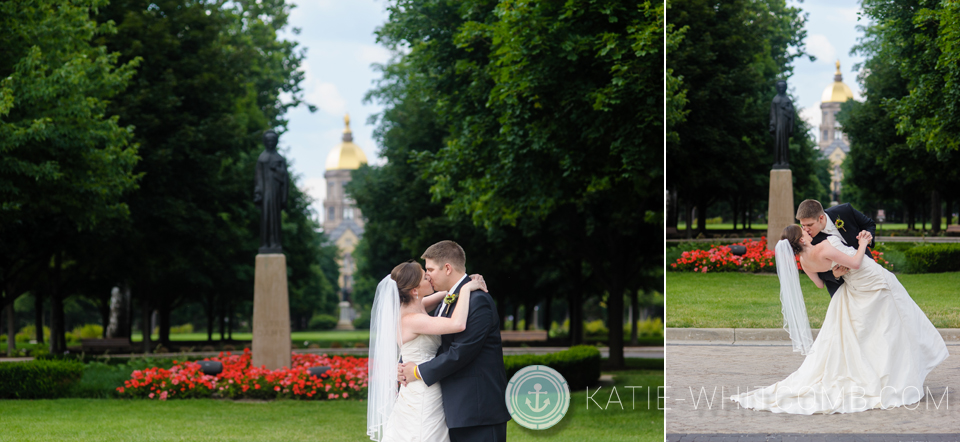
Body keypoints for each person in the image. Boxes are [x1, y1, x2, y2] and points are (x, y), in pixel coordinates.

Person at [730, 225, 949, 414]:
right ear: (800, 238)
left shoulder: (805, 262)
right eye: (802, 230)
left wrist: (834, 274)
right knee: (877, 331)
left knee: (858, 336)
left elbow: (818, 284)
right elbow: (854, 264)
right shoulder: (823, 247)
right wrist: (862, 243)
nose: (806, 231)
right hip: (857, 283)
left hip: (847, 293)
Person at [398, 240, 511, 442]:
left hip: (478, 408)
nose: (427, 275)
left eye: (430, 269)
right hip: (455, 407)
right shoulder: (448, 299)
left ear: (447, 268)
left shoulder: (478, 301)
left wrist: (416, 371)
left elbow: (461, 352)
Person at [367, 259, 488, 441]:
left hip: (421, 381)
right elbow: (458, 323)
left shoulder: (417, 305)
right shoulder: (412, 319)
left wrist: (463, 281)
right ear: (414, 290)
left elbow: (448, 294)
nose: (429, 277)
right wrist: (466, 289)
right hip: (422, 389)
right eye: (425, 277)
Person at [795, 199, 876, 298]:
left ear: (821, 218)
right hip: (839, 287)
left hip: (867, 270)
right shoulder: (809, 241)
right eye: (802, 225)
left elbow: (869, 224)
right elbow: (815, 269)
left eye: (809, 225)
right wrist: (834, 275)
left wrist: (868, 236)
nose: (806, 230)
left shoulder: (845, 210)